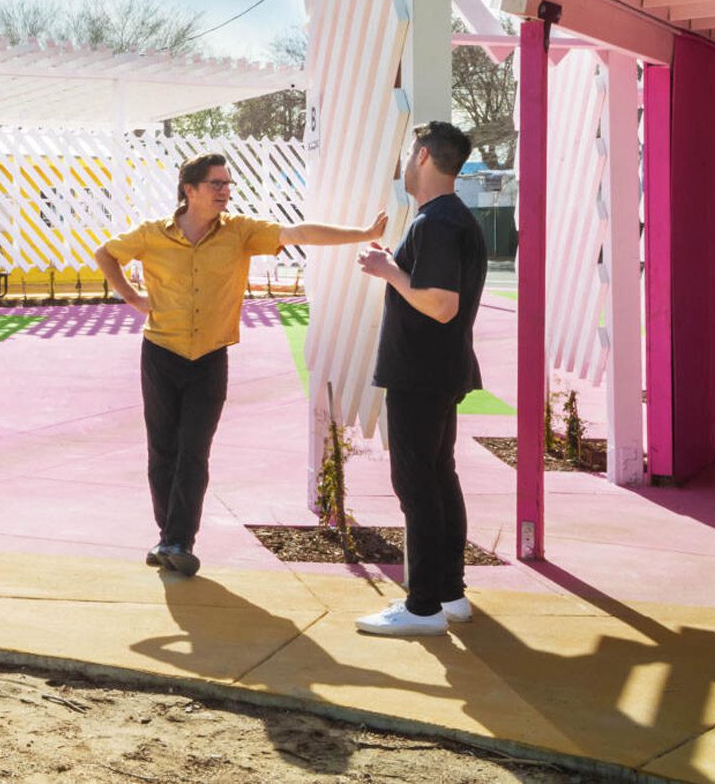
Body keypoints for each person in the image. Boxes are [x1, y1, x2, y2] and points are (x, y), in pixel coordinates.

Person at [94, 154, 386, 577]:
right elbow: (106, 254)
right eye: (215, 184)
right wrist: (132, 298)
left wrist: (363, 233)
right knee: (162, 451)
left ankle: (179, 540)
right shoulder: (152, 234)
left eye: (228, 184)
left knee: (193, 450)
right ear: (189, 190)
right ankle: (168, 536)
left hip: (210, 358)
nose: (225, 191)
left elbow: (300, 231)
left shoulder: (241, 232)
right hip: (160, 353)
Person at [355, 120, 486, 637]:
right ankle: (449, 595)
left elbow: (439, 304)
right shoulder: (455, 219)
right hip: (441, 370)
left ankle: (423, 605)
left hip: (421, 373)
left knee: (416, 484)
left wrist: (388, 269)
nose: (407, 161)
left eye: (412, 150)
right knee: (438, 478)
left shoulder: (435, 222)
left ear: (426, 155)